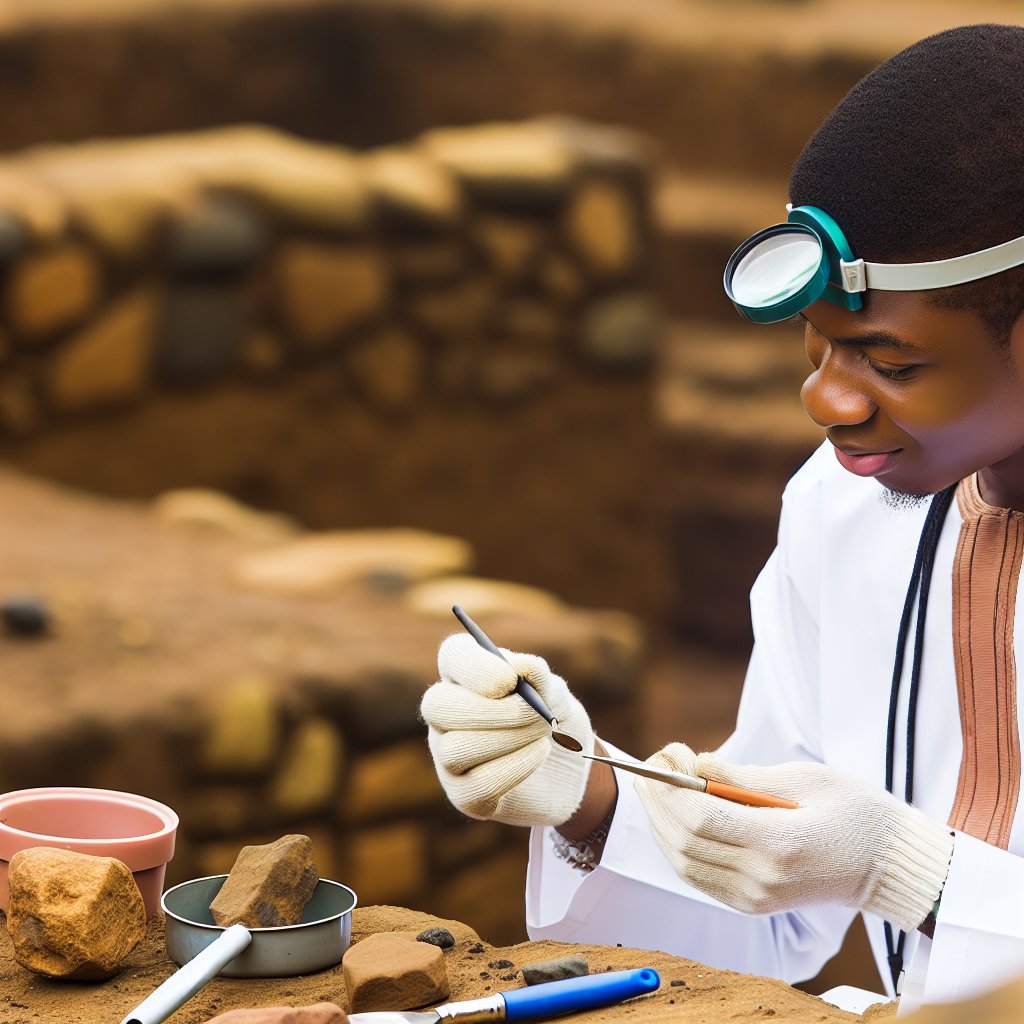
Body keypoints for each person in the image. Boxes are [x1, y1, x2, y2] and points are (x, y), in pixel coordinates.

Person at [420, 23, 1024, 1011]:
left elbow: (878, 870)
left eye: (893, 361)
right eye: (817, 347)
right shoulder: (839, 511)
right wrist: (595, 801)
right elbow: (773, 921)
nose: (826, 400)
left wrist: (915, 872)